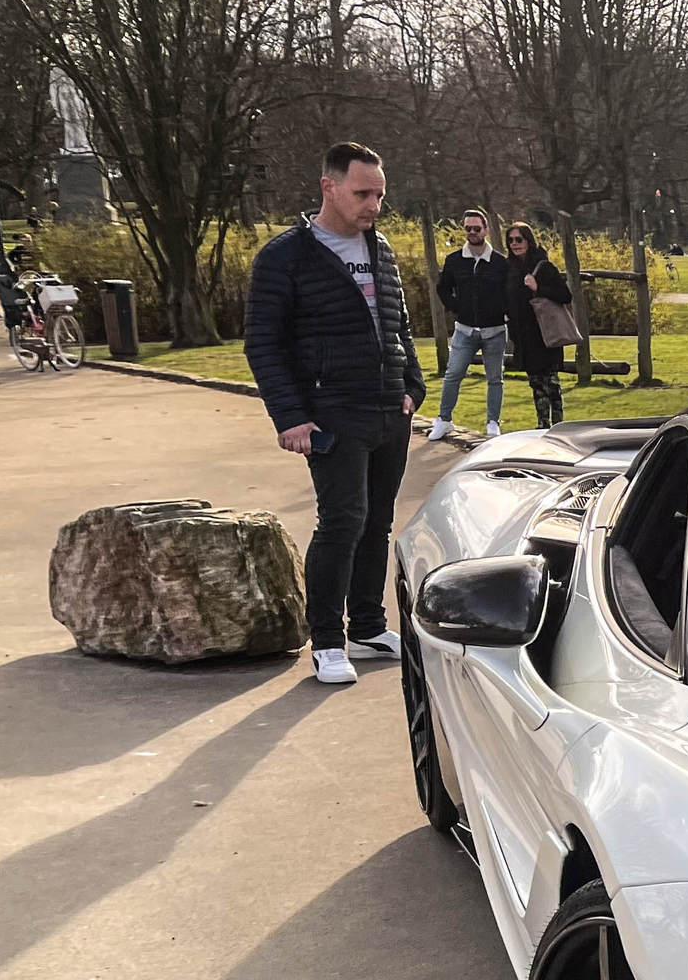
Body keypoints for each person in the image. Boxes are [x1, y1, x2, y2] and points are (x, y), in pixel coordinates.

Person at [242, 139, 424, 687]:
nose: (373, 205)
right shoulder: (285, 257)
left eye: (380, 194)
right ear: (329, 187)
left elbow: (398, 323)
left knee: (377, 522)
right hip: (331, 411)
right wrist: (290, 416)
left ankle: (368, 625)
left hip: (387, 409)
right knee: (342, 522)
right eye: (362, 193)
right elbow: (263, 344)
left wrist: (411, 383)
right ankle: (327, 641)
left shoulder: (380, 248)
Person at [429, 208, 510, 441]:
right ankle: (444, 419)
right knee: (453, 374)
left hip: (494, 331)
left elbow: (508, 292)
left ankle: (493, 421)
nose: (472, 232)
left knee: (495, 378)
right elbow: (443, 288)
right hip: (464, 330)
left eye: (476, 228)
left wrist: (504, 312)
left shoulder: (499, 262)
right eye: (468, 228)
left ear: (485, 229)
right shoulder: (454, 260)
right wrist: (456, 307)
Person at [504, 222, 574, 429]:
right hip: (523, 334)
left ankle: (558, 423)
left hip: (544, 332)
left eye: (519, 239)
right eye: (511, 240)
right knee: (535, 381)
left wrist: (538, 287)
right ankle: (543, 423)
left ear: (528, 240)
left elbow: (565, 295)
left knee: (550, 381)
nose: (515, 244)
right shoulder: (512, 269)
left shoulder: (543, 267)